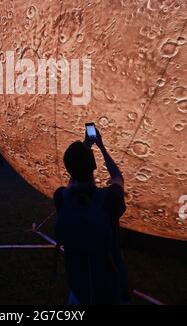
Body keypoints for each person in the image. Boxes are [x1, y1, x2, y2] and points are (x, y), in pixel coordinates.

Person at [54, 127, 129, 305]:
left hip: (78, 288)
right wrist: (101, 147)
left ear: (69, 169)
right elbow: (118, 177)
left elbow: (71, 185)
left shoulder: (61, 197)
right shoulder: (109, 199)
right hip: (109, 287)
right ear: (93, 166)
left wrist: (85, 147)